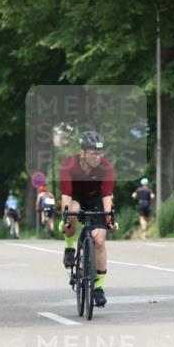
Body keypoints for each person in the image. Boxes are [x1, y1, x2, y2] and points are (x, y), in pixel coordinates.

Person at [60, 130, 115, 308]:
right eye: (93, 153)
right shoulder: (69, 165)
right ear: (82, 152)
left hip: (96, 199)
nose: (97, 157)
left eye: (100, 153)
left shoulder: (106, 167)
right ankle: (69, 248)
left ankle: (98, 287)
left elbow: (107, 195)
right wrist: (66, 217)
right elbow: (66, 196)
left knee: (99, 240)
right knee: (72, 214)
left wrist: (109, 219)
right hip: (76, 197)